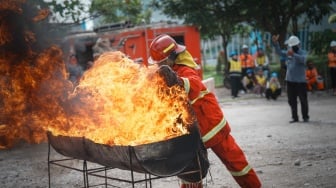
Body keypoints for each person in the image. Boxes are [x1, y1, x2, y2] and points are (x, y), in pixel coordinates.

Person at [148, 34, 261, 188]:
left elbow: (194, 84)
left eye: (160, 62)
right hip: (190, 132)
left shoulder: (183, 70)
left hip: (211, 125)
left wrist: (178, 82)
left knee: (235, 161)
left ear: (171, 57)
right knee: (191, 172)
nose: (158, 65)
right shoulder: (163, 74)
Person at [272, 35, 309, 123]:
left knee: (303, 100)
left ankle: (305, 117)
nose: (290, 47)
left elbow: (303, 60)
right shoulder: (289, 52)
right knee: (291, 100)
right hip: (290, 81)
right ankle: (295, 117)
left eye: (292, 46)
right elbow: (279, 52)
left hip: (300, 82)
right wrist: (276, 43)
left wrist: (294, 55)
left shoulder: (302, 52)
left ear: (298, 45)